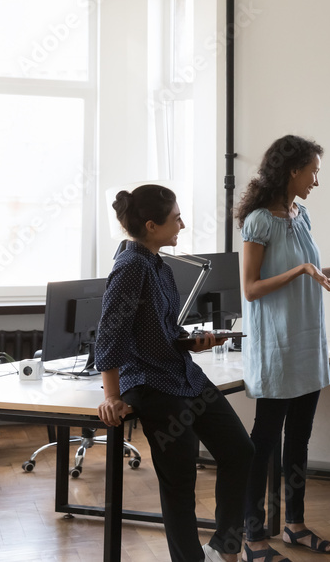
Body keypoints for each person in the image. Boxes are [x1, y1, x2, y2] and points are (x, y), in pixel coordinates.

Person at [236, 135, 330, 561]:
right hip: (277, 348)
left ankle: (294, 525)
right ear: (292, 170)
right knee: (264, 442)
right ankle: (253, 535)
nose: (316, 180)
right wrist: (302, 270)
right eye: (313, 171)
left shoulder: (302, 215)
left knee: (299, 439)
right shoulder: (258, 221)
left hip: (306, 343)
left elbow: (308, 271)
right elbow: (251, 288)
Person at [95, 184, 254, 562]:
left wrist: (192, 342)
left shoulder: (159, 266)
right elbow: (110, 335)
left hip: (182, 373)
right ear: (152, 226)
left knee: (240, 451)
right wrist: (111, 396)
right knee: (180, 480)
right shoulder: (131, 267)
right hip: (151, 383)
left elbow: (163, 329)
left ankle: (224, 548)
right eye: (176, 218)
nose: (182, 224)